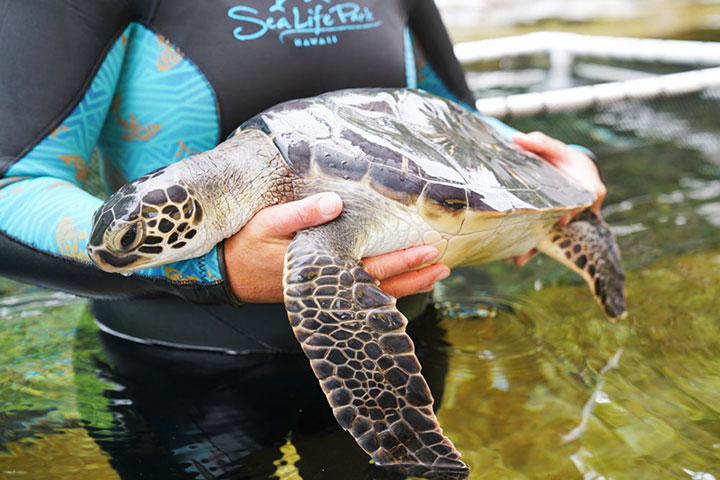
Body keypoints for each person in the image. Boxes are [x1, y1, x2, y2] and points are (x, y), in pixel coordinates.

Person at [0, 0, 605, 352]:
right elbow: (13, 184)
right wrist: (212, 268)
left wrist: (557, 169)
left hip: (401, 328)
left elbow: (452, 122)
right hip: (176, 356)